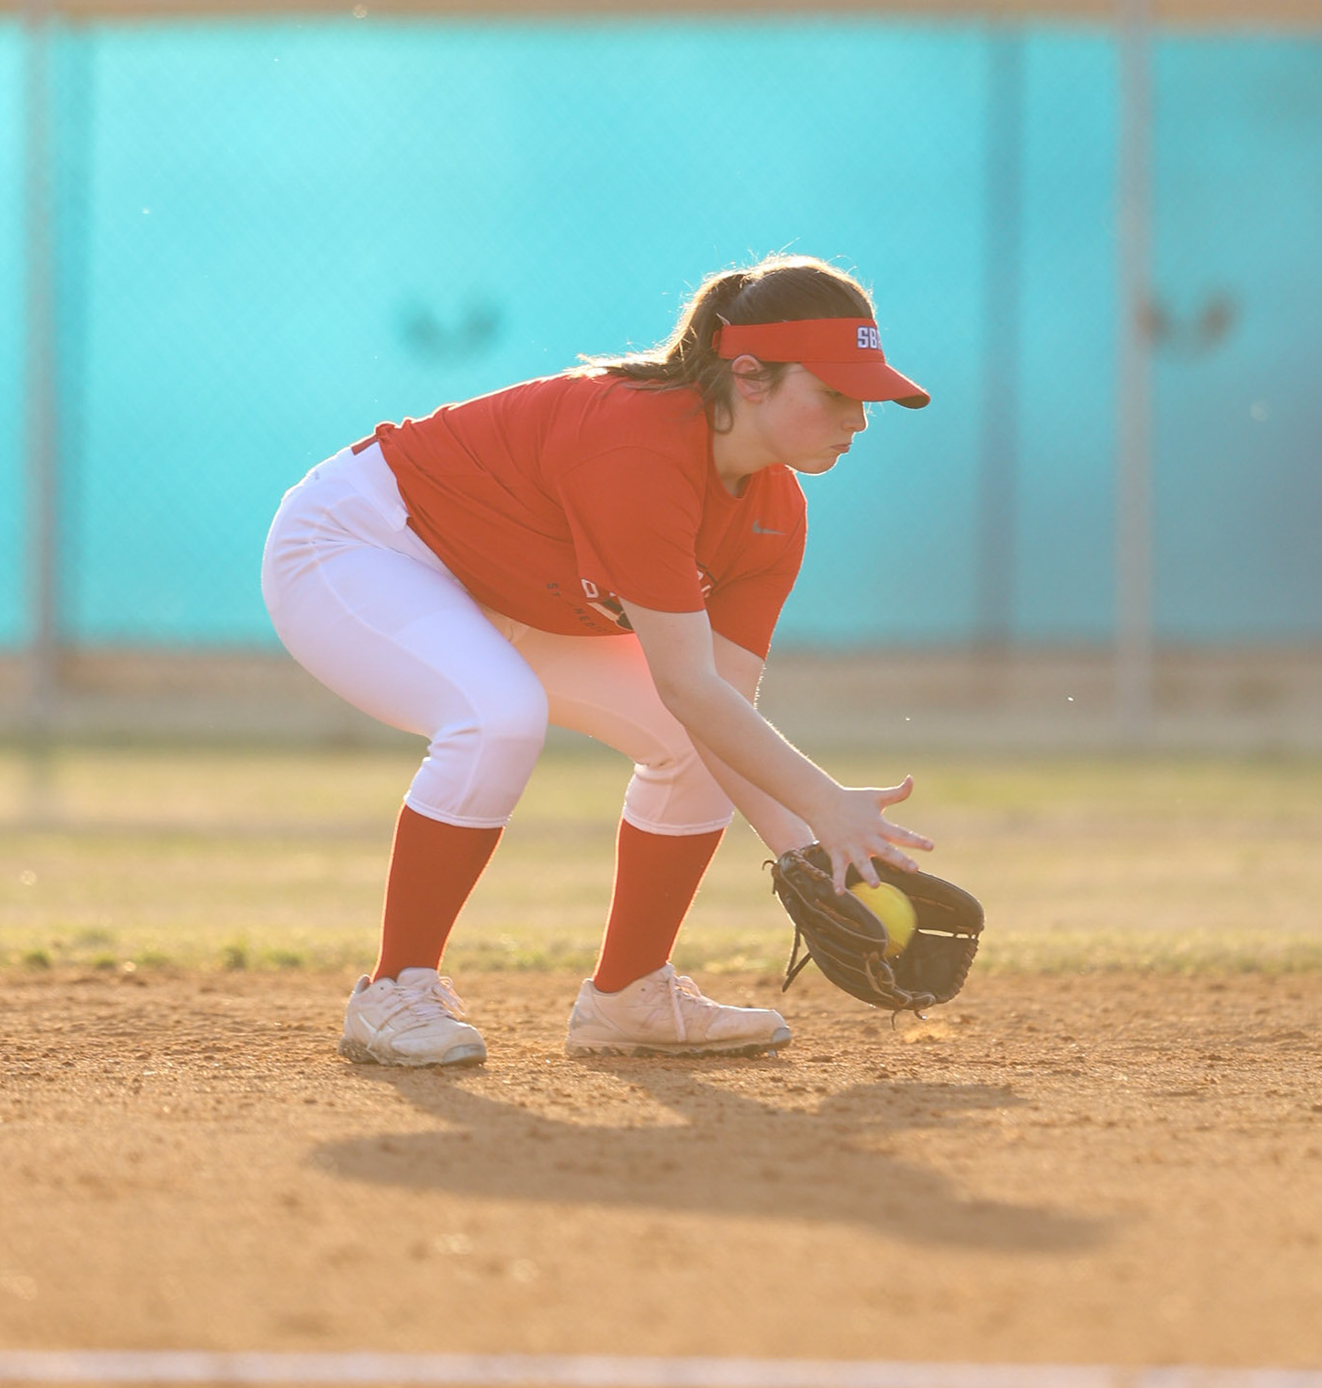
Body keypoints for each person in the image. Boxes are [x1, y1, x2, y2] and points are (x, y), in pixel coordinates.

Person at [260, 254, 934, 1066]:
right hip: (363, 544)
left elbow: (719, 714)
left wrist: (810, 852)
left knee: (693, 741)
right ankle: (393, 989)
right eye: (834, 393)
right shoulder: (639, 446)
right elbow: (688, 687)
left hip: (510, 590)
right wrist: (823, 805)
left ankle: (629, 996)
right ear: (750, 377)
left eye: (865, 398)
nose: (857, 419)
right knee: (497, 716)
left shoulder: (773, 515)